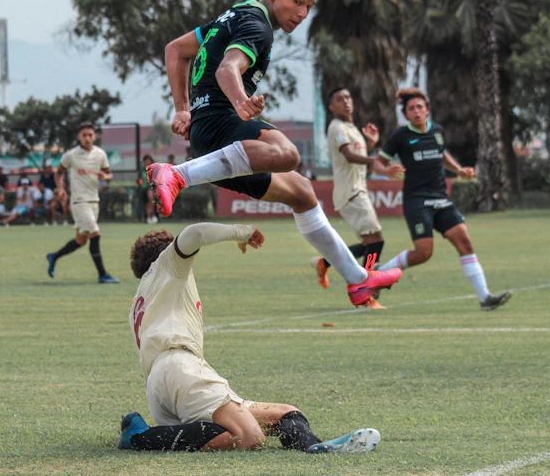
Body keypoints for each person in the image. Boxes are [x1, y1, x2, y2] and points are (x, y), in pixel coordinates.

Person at [150, 0, 401, 308]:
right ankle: (176, 175)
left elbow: (175, 51)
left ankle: (358, 282)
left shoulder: (234, 14)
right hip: (222, 123)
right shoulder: (259, 26)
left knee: (302, 192)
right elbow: (227, 70)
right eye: (297, 1)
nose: (301, 13)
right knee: (288, 154)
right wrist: (240, 102)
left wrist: (182, 108)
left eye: (309, 7)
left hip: (207, 130)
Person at [121, 222, 381, 454]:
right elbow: (195, 233)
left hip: (160, 385)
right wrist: (243, 231)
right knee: (248, 437)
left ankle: (313, 446)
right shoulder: (168, 265)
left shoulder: (144, 296)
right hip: (180, 369)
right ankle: (140, 437)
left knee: (287, 414)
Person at [372, 88, 511, 311]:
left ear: (427, 110)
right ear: (406, 114)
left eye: (420, 107)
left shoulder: (437, 131)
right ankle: (381, 273)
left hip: (441, 198)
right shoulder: (401, 136)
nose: (416, 111)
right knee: (424, 253)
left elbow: (442, 153)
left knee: (465, 242)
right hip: (417, 200)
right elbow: (378, 162)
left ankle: (485, 298)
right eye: (411, 109)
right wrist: (386, 171)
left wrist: (458, 169)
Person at [310, 88, 405, 299]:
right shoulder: (336, 127)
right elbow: (350, 157)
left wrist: (370, 144)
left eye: (347, 97)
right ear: (331, 107)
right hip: (351, 193)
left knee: (370, 243)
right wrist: (377, 160)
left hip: (356, 191)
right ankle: (366, 284)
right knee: (376, 241)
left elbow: (360, 163)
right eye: (338, 99)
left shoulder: (351, 128)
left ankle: (325, 262)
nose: (345, 101)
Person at [47, 122, 119, 284]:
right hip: (79, 202)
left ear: (94, 137)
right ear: (79, 137)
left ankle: (54, 256)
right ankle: (102, 274)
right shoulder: (71, 155)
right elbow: (59, 174)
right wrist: (60, 188)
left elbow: (109, 176)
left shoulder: (100, 154)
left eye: (90, 135)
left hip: (94, 201)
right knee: (95, 233)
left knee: (81, 240)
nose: (87, 138)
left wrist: (105, 178)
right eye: (84, 135)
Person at [140, 155, 158, 224]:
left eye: (148, 160)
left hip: (152, 188)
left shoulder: (154, 169)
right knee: (147, 203)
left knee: (151, 198)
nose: (147, 162)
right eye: (145, 160)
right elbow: (140, 180)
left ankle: (152, 215)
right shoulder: (142, 170)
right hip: (144, 189)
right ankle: (149, 216)